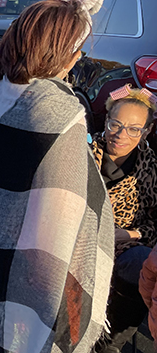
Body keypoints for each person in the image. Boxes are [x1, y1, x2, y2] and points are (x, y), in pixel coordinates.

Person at [0, 0, 114, 353]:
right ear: (67, 55)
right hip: (26, 277)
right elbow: (68, 218)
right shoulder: (60, 113)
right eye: (78, 51)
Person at [89, 84, 157, 352]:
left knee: (143, 265)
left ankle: (111, 342)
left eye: (133, 129)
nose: (121, 135)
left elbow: (154, 224)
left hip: (126, 245)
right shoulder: (81, 152)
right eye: (115, 124)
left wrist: (130, 234)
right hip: (81, 242)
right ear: (106, 120)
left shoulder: (150, 168)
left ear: (146, 132)